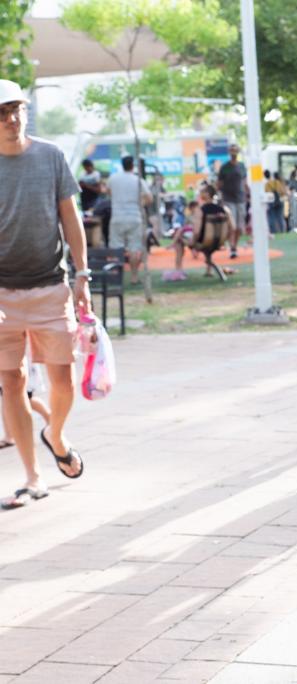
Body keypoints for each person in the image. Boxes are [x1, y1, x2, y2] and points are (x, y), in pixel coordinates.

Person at [0, 80, 90, 509]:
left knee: (62, 379)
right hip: (1, 295)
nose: (12, 119)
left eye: (16, 109)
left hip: (51, 286)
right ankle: (32, 476)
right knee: (11, 381)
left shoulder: (50, 156)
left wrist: (83, 275)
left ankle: (54, 433)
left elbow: (70, 219)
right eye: (2, 113)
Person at [108, 155, 152, 285]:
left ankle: (117, 276)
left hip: (117, 217)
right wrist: (140, 204)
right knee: (134, 248)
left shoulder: (113, 178)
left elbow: (107, 191)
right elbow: (149, 198)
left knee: (116, 247)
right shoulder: (138, 180)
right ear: (133, 165)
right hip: (134, 217)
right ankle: (134, 277)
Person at [217, 143, 247, 259]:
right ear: (229, 152)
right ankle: (232, 247)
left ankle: (235, 244)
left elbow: (244, 182)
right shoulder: (225, 167)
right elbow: (219, 184)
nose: (234, 152)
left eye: (235, 150)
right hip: (228, 199)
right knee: (232, 225)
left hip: (241, 199)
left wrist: (248, 194)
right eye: (231, 150)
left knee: (240, 227)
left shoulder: (242, 166)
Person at [265, 170, 287, 234]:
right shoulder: (277, 182)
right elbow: (283, 192)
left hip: (271, 202)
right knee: (280, 217)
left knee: (271, 217)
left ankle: (273, 231)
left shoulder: (267, 184)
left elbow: (266, 194)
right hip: (279, 201)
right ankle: (282, 231)